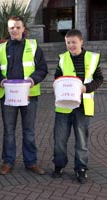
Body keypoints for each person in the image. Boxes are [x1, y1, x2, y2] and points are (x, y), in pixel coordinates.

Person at [0, 16, 48, 175]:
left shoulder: (33, 46)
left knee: (29, 130)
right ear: (8, 29)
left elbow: (43, 69)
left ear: (23, 29)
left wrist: (33, 80)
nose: (15, 30)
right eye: (12, 27)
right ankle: (8, 161)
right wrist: (1, 80)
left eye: (18, 27)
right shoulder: (1, 48)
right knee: (9, 130)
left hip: (29, 96)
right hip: (8, 96)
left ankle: (31, 162)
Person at [52, 29, 104, 184]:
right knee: (59, 139)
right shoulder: (62, 59)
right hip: (64, 106)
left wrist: (86, 88)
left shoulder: (92, 58)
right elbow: (56, 77)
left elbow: (99, 79)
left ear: (81, 42)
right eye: (68, 43)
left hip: (83, 106)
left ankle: (81, 169)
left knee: (81, 141)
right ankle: (59, 166)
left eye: (74, 42)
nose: (71, 45)